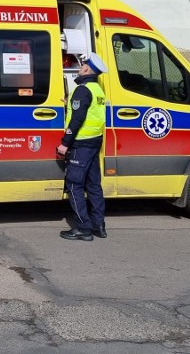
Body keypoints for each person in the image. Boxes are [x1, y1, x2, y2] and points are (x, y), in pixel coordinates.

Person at [57, 51, 108, 241]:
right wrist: (69, 103)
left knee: (74, 185)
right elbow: (87, 111)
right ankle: (98, 226)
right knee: (94, 185)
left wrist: (64, 144)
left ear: (86, 68)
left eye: (82, 65)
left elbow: (77, 119)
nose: (79, 67)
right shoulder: (97, 90)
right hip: (95, 141)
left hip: (81, 144)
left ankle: (83, 228)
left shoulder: (82, 90)